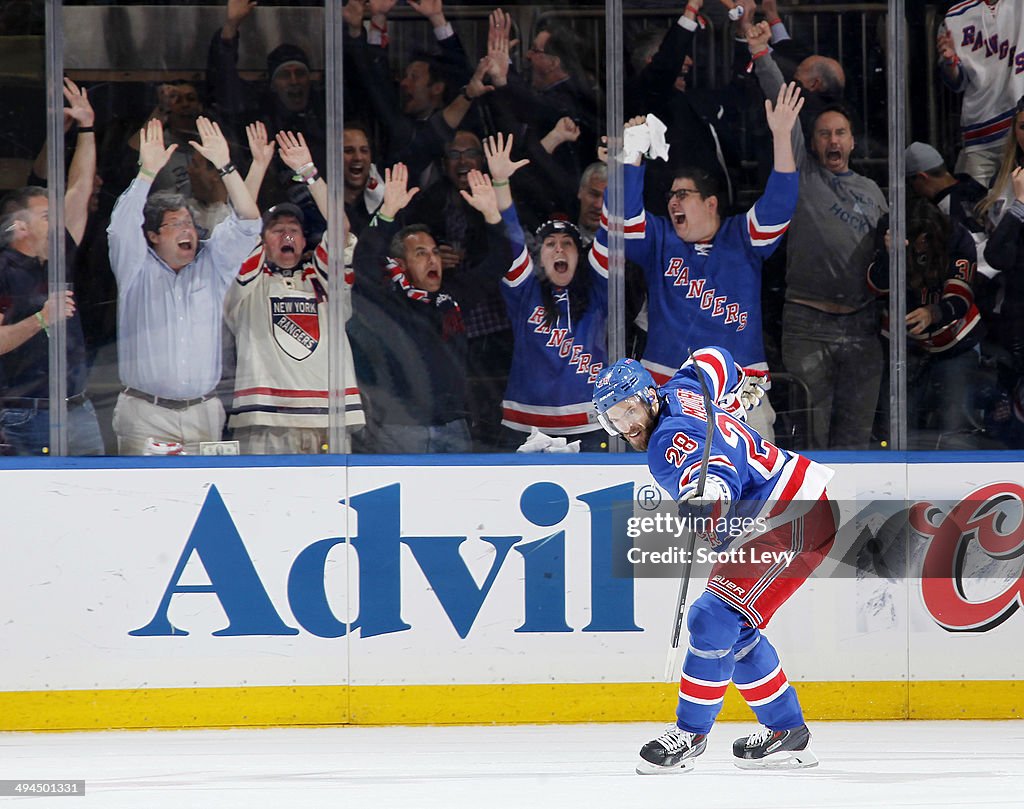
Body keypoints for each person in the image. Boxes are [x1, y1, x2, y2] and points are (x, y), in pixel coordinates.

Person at [591, 346, 836, 774]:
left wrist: (707, 495)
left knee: (710, 617)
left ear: (649, 397)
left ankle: (690, 734)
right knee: (732, 628)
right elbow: (710, 358)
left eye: (630, 410)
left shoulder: (664, 442)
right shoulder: (684, 386)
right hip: (791, 507)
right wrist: (739, 385)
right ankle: (786, 732)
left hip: (789, 512)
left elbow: (712, 468)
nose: (627, 426)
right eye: (614, 419)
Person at [594, 81, 805, 442]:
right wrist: (631, 157)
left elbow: (781, 201)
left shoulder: (743, 237)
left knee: (756, 490)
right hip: (669, 391)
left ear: (710, 203)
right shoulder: (660, 238)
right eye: (670, 195)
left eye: (683, 194)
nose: (673, 202)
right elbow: (622, 219)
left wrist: (782, 136)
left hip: (742, 393)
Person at [748, 21, 888, 450]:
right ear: (812, 141)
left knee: (855, 439)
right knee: (811, 437)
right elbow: (782, 108)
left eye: (840, 133)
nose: (832, 139)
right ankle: (807, 517)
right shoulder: (804, 174)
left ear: (851, 141)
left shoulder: (873, 191)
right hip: (807, 324)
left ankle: (854, 518)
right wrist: (761, 56)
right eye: (824, 133)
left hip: (862, 327)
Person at [107, 117, 261, 454]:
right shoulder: (135, 268)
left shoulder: (213, 265)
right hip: (145, 413)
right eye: (175, 225)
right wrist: (146, 174)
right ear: (153, 235)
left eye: (190, 224)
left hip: (203, 412)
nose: (187, 231)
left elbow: (249, 222)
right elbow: (120, 228)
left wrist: (225, 165)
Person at [349, 162, 508, 453]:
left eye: (435, 252)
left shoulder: (454, 296)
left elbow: (500, 259)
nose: (432, 260)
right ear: (401, 264)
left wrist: (492, 214)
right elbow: (363, 262)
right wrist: (388, 211)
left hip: (454, 426)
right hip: (399, 431)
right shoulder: (387, 300)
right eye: (420, 254)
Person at [224, 131, 364, 454]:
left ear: (303, 242)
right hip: (264, 421)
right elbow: (241, 227)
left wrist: (309, 172)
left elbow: (340, 229)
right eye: (277, 229)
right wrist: (258, 167)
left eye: (294, 230)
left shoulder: (322, 277)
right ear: (263, 240)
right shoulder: (249, 284)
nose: (287, 234)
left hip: (329, 420)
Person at [478, 134, 608, 450]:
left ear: (581, 256)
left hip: (588, 424)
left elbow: (610, 229)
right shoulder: (525, 291)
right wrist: (500, 183)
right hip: (524, 424)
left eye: (567, 244)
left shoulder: (600, 289)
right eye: (550, 244)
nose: (559, 249)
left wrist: (617, 172)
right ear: (540, 255)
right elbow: (512, 241)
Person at [0, 78, 104, 455]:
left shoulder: (57, 257)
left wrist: (87, 129)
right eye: (46, 216)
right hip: (27, 414)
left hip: (78, 407)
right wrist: (41, 319)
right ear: (19, 227)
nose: (57, 220)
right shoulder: (4, 270)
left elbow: (79, 189)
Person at [868, 198, 983, 443]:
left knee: (956, 429)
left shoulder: (956, 236)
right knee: (895, 432)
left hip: (956, 344)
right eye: (915, 239)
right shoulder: (885, 231)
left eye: (925, 238)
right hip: (902, 348)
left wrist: (934, 312)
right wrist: (890, 257)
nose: (920, 245)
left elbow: (962, 295)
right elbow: (874, 286)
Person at [938, 0, 1024, 186]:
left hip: (1018, 127)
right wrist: (950, 61)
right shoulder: (954, 16)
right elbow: (957, 83)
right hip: (979, 128)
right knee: (975, 207)